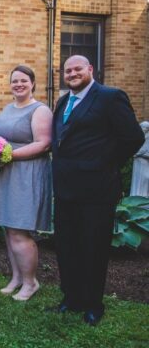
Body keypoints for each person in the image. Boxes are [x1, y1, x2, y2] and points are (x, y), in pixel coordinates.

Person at [51, 55, 144, 326]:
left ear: (90, 69)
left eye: (78, 69)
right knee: (67, 246)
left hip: (97, 189)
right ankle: (71, 298)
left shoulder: (110, 97)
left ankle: (93, 305)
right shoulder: (63, 101)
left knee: (93, 247)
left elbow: (133, 138)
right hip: (65, 188)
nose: (72, 74)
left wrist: (105, 163)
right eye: (68, 71)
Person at [0, 65, 53, 301]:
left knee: (20, 230)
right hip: (3, 174)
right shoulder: (9, 108)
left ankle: (31, 282)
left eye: (23, 80)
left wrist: (7, 154)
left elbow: (43, 143)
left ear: (33, 83)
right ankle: (17, 277)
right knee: (9, 230)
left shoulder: (40, 110)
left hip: (25, 175)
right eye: (14, 81)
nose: (18, 84)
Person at [130, 121, 149, 197]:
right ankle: (135, 196)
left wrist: (140, 153)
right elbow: (133, 150)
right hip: (138, 162)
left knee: (145, 179)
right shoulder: (138, 138)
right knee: (137, 180)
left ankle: (144, 197)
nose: (144, 129)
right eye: (143, 128)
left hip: (145, 163)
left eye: (146, 128)